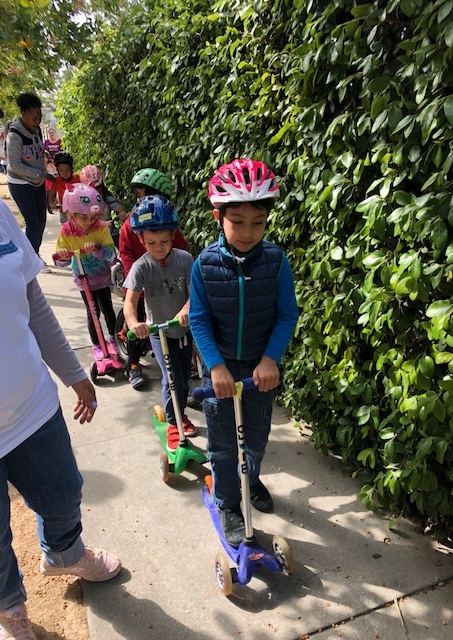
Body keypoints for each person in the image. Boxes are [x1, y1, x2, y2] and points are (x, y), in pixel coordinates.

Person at [0, 96, 121, 640]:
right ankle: (7, 610)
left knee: (64, 493)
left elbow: (33, 303)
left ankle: (64, 553)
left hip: (31, 406)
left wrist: (74, 373)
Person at [189, 158, 299, 546]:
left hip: (258, 370)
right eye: (237, 221)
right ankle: (228, 504)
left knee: (255, 437)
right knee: (223, 444)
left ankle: (249, 479)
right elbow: (199, 319)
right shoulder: (204, 265)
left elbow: (287, 314)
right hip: (220, 370)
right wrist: (215, 366)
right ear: (218, 217)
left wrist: (270, 358)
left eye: (258, 222)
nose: (248, 232)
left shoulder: (276, 261)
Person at [123, 195, 197, 450]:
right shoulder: (141, 267)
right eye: (151, 243)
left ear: (173, 235)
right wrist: (134, 323)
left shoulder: (185, 259)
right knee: (171, 378)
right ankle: (174, 424)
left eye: (164, 241)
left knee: (184, 379)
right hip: (159, 332)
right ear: (141, 240)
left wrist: (186, 309)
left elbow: (194, 294)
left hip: (183, 330)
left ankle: (179, 413)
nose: (158, 248)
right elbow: (129, 303)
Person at [119, 168, 189, 390]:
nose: (159, 247)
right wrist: (137, 280)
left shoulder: (173, 235)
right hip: (144, 284)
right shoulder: (131, 226)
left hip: (172, 290)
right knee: (136, 322)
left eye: (145, 194)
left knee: (181, 375)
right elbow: (126, 255)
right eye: (139, 195)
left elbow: (183, 255)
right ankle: (133, 364)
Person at [54, 183, 118, 359]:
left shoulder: (101, 227)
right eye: (84, 217)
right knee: (92, 312)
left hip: (102, 277)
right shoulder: (66, 231)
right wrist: (63, 256)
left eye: (93, 217)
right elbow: (61, 261)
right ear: (71, 214)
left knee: (107, 308)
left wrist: (97, 250)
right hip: (83, 279)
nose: (89, 222)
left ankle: (114, 337)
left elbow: (110, 252)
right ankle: (97, 343)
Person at [6, 92, 53, 273]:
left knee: (41, 221)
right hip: (20, 184)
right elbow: (15, 165)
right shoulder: (14, 135)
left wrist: (43, 155)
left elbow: (35, 150)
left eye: (39, 118)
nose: (37, 122)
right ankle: (31, 260)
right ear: (23, 114)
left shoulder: (37, 130)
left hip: (37, 182)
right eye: (34, 119)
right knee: (32, 223)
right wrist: (41, 174)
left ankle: (34, 254)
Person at [79, 164, 128, 248]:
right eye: (93, 189)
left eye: (98, 187)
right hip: (93, 237)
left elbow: (117, 206)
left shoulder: (106, 197)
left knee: (123, 247)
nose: (97, 192)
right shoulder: (82, 204)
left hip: (110, 233)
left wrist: (122, 214)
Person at [48, 151, 80, 224]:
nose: (65, 173)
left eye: (67, 170)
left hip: (78, 209)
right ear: (58, 171)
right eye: (61, 170)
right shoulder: (57, 181)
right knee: (65, 225)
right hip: (64, 209)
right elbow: (51, 193)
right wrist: (51, 203)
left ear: (71, 169)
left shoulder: (77, 178)